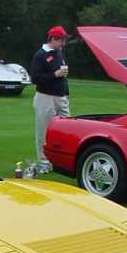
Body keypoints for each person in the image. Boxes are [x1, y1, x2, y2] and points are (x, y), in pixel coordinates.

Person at [30, 25, 71, 173]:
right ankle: (43, 165)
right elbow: (35, 78)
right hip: (45, 98)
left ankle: (62, 162)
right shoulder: (40, 55)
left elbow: (64, 78)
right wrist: (55, 74)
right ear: (54, 39)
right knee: (43, 132)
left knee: (65, 131)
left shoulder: (59, 53)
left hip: (61, 98)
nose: (63, 44)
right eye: (62, 41)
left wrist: (66, 94)